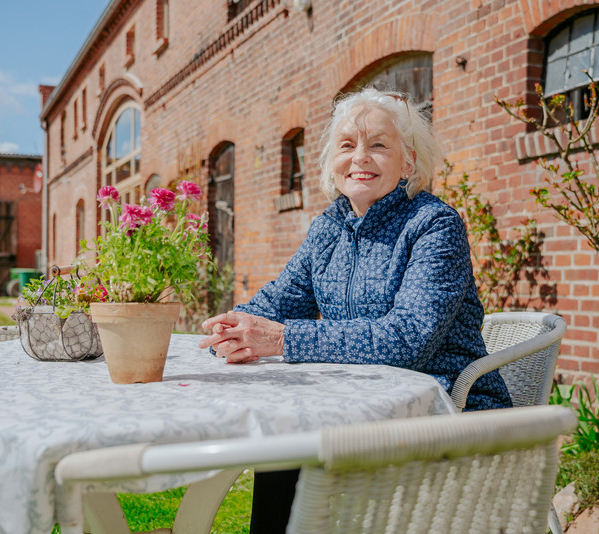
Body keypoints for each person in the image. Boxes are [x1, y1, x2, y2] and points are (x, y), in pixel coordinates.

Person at [198, 87, 512, 533]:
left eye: (378, 145)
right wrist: (233, 328)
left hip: (447, 412)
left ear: (408, 162)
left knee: (295, 444)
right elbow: (274, 303)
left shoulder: (433, 225)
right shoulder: (329, 228)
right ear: (332, 162)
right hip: (356, 407)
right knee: (288, 439)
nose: (359, 157)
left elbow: (407, 339)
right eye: (347, 145)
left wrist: (284, 339)